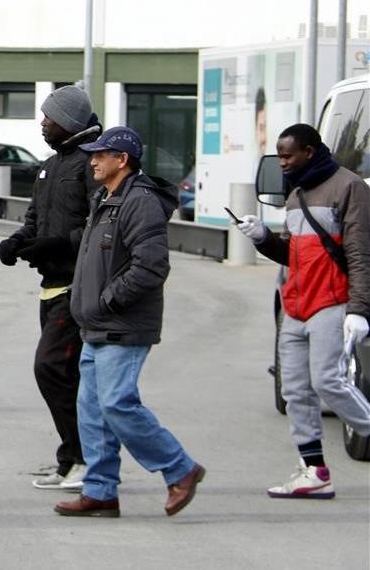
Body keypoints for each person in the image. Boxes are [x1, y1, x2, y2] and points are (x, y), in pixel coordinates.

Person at [54, 126, 205, 518]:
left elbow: (152, 266)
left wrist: (107, 299)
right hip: (95, 325)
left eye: (101, 154)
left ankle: (180, 469)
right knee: (93, 410)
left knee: (117, 403)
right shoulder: (104, 198)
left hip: (121, 323)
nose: (93, 160)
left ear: (122, 159)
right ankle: (101, 490)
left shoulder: (140, 202)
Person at [236, 123, 370, 499]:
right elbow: (292, 255)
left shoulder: (349, 187)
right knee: (295, 390)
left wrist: (358, 310)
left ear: (309, 151)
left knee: (329, 381)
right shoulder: (296, 194)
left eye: (287, 155)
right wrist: (262, 237)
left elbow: (360, 254)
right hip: (296, 305)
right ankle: (314, 471)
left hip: (332, 301)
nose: (281, 162)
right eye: (278, 156)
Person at [0, 85, 98, 490]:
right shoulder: (49, 166)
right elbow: (35, 219)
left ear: (69, 122)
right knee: (65, 375)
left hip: (78, 287)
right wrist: (18, 241)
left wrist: (59, 243)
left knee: (51, 368)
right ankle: (72, 459)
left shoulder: (92, 163)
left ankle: (84, 459)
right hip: (50, 285)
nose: (42, 123)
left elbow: (99, 224)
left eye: (49, 117)